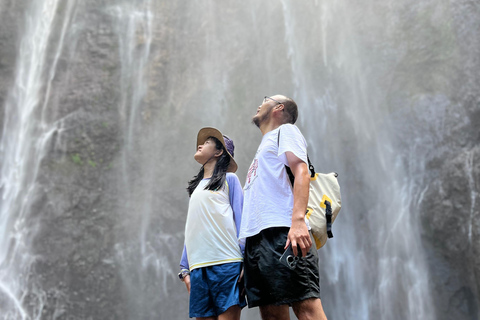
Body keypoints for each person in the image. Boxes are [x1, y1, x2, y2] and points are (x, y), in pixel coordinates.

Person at [240, 95, 328, 320]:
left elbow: (301, 170)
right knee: (270, 313)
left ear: (278, 108)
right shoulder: (262, 149)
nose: (259, 103)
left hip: (284, 232)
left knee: (305, 306)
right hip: (256, 241)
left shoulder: (285, 131)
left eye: (265, 99)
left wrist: (298, 220)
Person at [179, 127, 246, 320]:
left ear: (218, 152)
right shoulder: (196, 188)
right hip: (198, 267)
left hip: (226, 263)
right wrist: (184, 269)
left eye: (207, 142)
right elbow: (192, 229)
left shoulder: (230, 180)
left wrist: (244, 261)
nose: (200, 144)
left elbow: (241, 220)